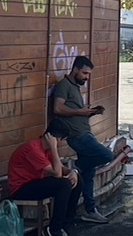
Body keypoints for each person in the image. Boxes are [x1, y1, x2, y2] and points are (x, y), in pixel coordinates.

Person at [49, 55, 120, 224]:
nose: (86, 77)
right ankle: (76, 168)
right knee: (107, 156)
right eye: (84, 73)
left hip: (85, 132)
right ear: (75, 69)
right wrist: (81, 112)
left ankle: (90, 209)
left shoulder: (75, 86)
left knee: (89, 176)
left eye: (88, 74)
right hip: (77, 136)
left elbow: (75, 109)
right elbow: (58, 108)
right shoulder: (64, 86)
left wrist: (91, 111)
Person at [7, 130, 80, 236]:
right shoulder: (33, 149)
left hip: (35, 183)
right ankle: (54, 230)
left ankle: (65, 225)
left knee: (76, 180)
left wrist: (73, 172)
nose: (61, 143)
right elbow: (57, 173)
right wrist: (54, 148)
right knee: (64, 184)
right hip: (22, 189)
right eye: (62, 140)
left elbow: (61, 169)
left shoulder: (46, 150)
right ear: (54, 139)